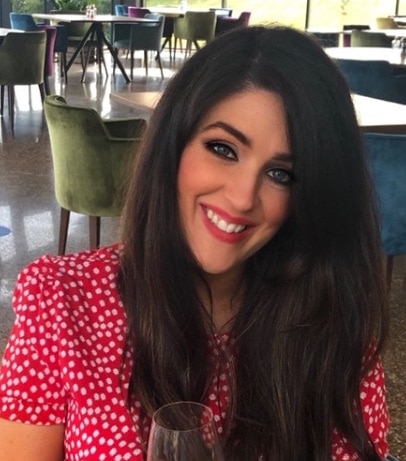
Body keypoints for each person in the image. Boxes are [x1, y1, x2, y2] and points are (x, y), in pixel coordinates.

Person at [0, 25, 389, 461]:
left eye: (281, 174)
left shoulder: (333, 328)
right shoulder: (61, 301)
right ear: (174, 143)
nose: (242, 198)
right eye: (223, 149)